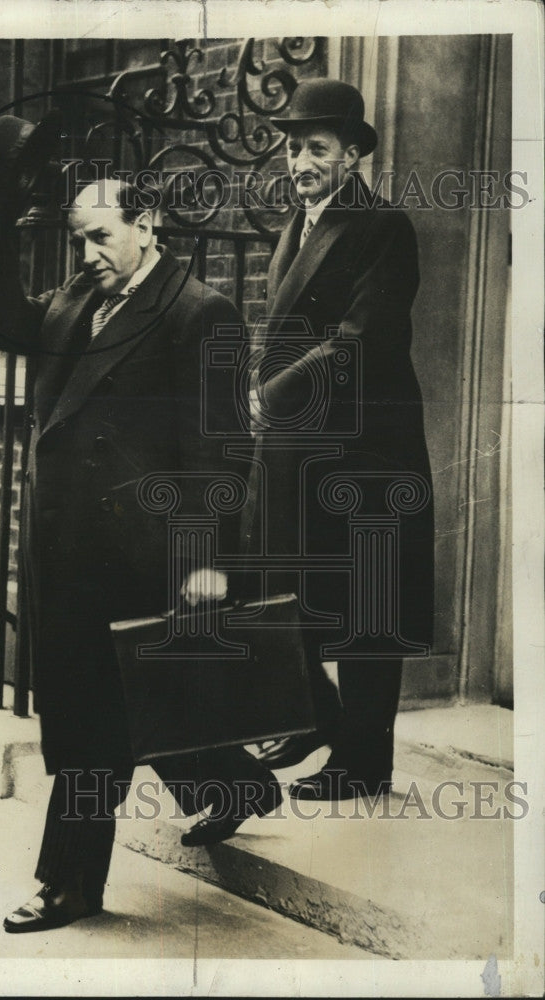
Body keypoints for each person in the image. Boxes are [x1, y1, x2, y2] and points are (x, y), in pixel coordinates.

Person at [0, 173, 282, 932]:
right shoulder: (79, 297)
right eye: (79, 239)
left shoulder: (202, 313)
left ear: (149, 223)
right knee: (135, 701)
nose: (88, 252)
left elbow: (222, 451)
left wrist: (204, 559)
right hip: (65, 544)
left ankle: (68, 885)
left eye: (101, 236)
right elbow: (7, 324)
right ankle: (234, 784)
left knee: (88, 722)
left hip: (142, 552)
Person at [248, 79, 435, 800]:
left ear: (353, 153)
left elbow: (357, 343)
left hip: (367, 450)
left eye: (316, 147)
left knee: (367, 610)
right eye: (292, 147)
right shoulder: (297, 225)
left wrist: (271, 393)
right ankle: (308, 717)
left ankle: (363, 764)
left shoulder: (381, 227)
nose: (299, 160)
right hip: (306, 445)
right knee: (289, 589)